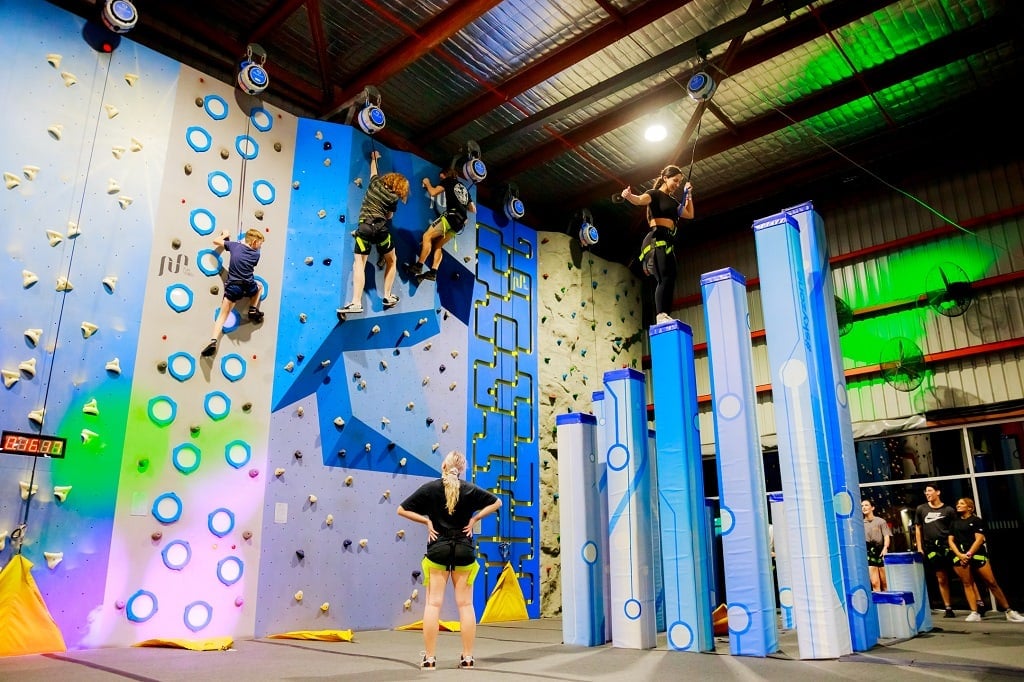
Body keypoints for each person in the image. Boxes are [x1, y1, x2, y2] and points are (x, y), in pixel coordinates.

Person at [397, 450, 502, 670]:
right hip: (464, 549)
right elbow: (497, 502)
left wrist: (427, 522)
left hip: (438, 549)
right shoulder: (470, 490)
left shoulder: (430, 489)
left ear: (444, 467)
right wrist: (475, 519)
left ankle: (429, 658)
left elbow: (401, 510)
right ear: (461, 469)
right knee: (465, 605)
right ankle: (467, 657)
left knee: (433, 604)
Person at [338, 150, 409, 315]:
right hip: (381, 230)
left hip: (364, 228)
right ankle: (388, 296)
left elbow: (374, 171)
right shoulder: (393, 198)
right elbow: (389, 216)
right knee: (392, 260)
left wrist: (374, 158)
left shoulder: (375, 183)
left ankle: (356, 302)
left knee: (359, 264)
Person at [620, 165, 694, 325]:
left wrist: (688, 195)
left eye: (680, 182)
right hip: (656, 238)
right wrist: (628, 195)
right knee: (663, 277)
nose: (677, 184)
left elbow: (689, 214)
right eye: (675, 180)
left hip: (667, 241)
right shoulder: (654, 194)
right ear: (665, 178)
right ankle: (660, 315)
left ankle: (666, 314)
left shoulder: (674, 202)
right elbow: (639, 200)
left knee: (671, 276)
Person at [948, 497, 1024, 623]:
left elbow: (979, 539)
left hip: (977, 556)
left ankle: (1009, 611)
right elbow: (950, 540)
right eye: (957, 504)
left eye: (962, 504)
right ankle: (974, 612)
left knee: (991, 582)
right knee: (967, 584)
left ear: (970, 507)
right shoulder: (954, 523)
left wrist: (969, 554)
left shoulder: (977, 521)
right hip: (961, 558)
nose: (958, 505)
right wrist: (960, 555)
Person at [202, 228, 265, 358]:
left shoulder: (234, 246)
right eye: (260, 244)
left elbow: (216, 241)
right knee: (259, 287)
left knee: (222, 316)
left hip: (234, 287)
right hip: (248, 286)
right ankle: (252, 309)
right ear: (254, 242)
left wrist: (225, 235)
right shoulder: (256, 255)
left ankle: (213, 342)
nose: (260, 247)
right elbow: (248, 251)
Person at [406, 167, 476, 283]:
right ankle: (433, 272)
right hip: (460, 224)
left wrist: (427, 183)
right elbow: (473, 209)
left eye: (441, 177)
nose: (440, 179)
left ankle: (418, 266)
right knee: (438, 245)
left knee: (427, 236)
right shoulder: (464, 189)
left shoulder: (448, 181)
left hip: (450, 217)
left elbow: (433, 192)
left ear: (445, 175)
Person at [914, 482, 956, 617]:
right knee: (940, 577)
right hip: (931, 548)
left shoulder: (948, 510)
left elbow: (955, 529)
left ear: (938, 492)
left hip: (948, 547)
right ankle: (947, 607)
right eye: (926, 491)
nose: (927, 493)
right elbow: (918, 529)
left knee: (963, 576)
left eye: (930, 490)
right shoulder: (921, 509)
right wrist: (920, 547)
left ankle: (977, 606)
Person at [862, 499, 891, 591]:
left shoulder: (881, 521)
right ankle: (879, 604)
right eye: (862, 506)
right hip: (869, 552)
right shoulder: (860, 524)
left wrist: (885, 548)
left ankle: (888, 604)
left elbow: (887, 536)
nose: (864, 507)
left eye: (866, 505)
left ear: (872, 507)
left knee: (885, 583)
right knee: (875, 583)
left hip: (881, 551)